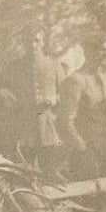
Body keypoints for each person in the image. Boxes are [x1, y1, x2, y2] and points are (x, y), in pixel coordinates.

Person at [57, 39, 106, 181]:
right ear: (88, 51)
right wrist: (82, 148)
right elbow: (65, 120)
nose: (105, 54)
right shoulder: (76, 80)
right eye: (101, 49)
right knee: (90, 199)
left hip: (105, 148)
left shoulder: (104, 78)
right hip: (86, 152)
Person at [18, 29, 64, 178]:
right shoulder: (16, 66)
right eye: (29, 41)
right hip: (26, 127)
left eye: (36, 40)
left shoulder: (54, 65)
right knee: (26, 173)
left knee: (51, 171)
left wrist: (54, 98)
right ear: (23, 43)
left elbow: (65, 94)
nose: (32, 44)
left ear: (42, 42)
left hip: (49, 125)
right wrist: (8, 104)